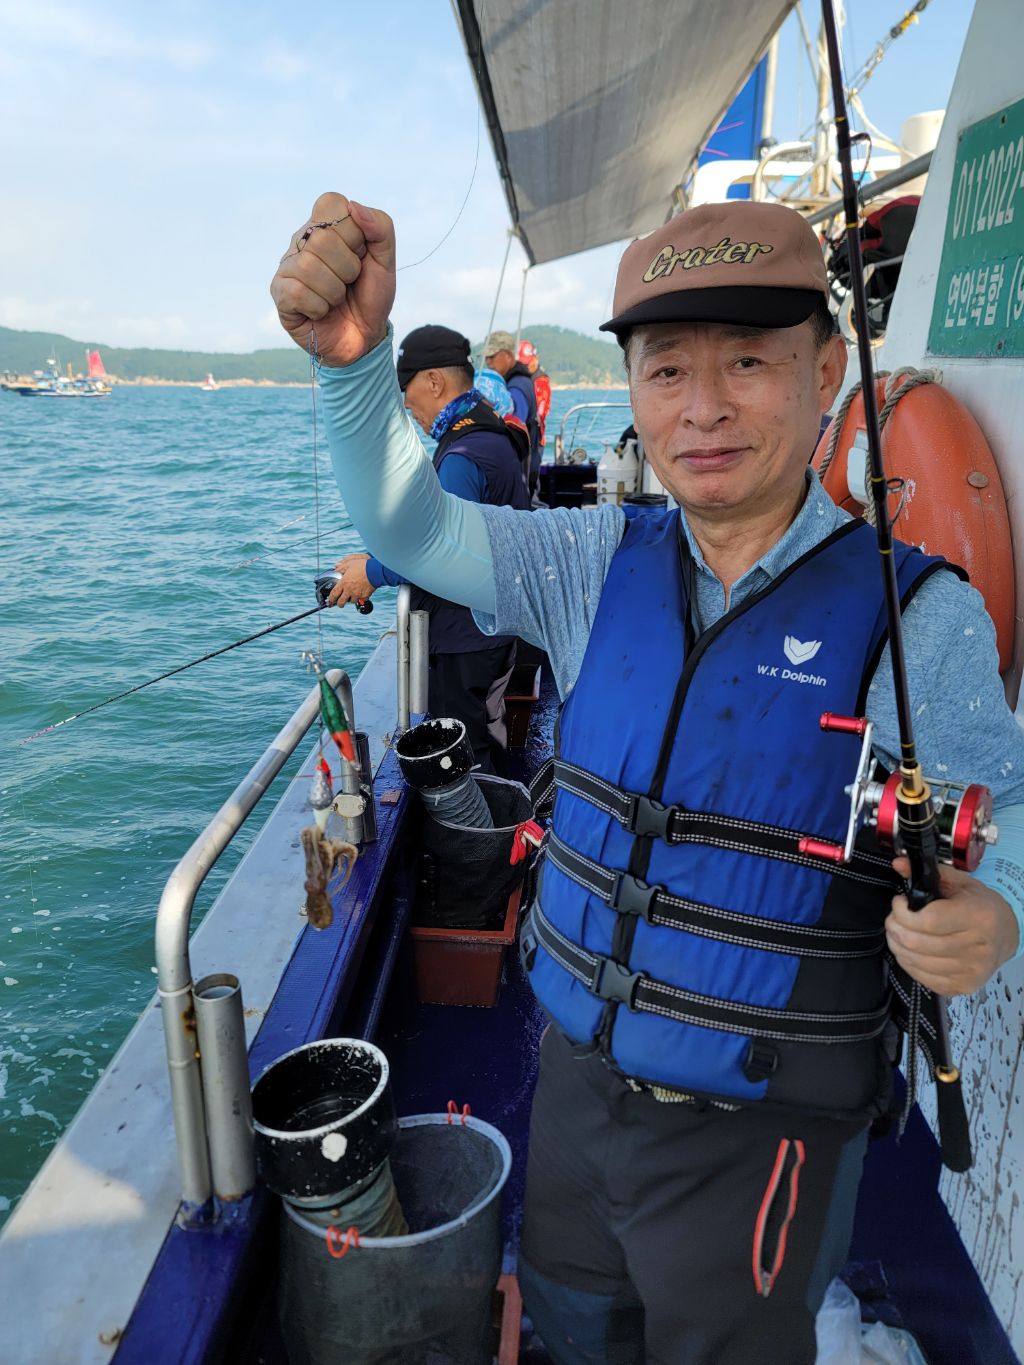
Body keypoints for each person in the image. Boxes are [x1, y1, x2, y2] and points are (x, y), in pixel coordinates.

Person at [271, 195, 1024, 1364]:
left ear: (827, 373)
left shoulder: (918, 617)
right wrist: (351, 367)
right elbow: (409, 527)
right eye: (667, 368)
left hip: (766, 1129)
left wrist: (999, 905)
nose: (703, 406)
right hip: (575, 1089)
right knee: (572, 1324)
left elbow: (1006, 804)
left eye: (749, 362)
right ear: (632, 390)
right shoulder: (590, 562)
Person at [327, 322, 530, 774]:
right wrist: (376, 560)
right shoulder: (488, 433)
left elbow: (442, 551)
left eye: (407, 388)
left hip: (468, 639)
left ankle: (480, 819)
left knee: (466, 755)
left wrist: (372, 573)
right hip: (494, 626)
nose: (405, 403)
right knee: (484, 732)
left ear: (434, 381)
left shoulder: (462, 457)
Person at [485, 329, 542, 493]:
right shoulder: (516, 382)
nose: (488, 362)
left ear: (508, 356)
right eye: (486, 357)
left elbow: (514, 430)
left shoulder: (517, 387)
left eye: (492, 357)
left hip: (521, 474)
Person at [518, 337, 552, 452]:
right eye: (522, 363)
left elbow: (541, 412)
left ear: (535, 358)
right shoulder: (519, 378)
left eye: (528, 362)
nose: (525, 366)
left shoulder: (541, 381)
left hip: (534, 436)